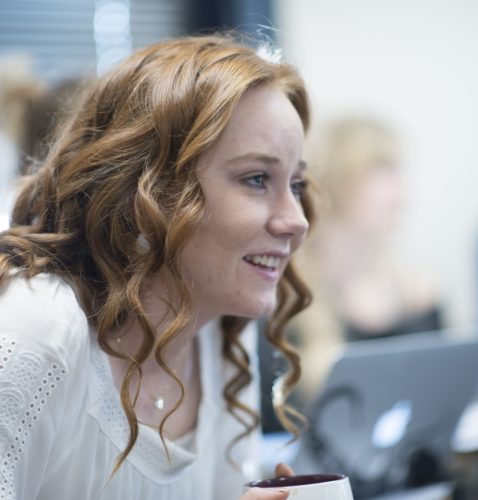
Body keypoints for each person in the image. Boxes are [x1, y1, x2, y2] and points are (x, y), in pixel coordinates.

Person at [0, 33, 315, 500]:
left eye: (296, 183)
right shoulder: (38, 330)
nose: (297, 221)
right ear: (149, 190)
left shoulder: (222, 332)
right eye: (255, 179)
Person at [290, 116, 443, 404]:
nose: (399, 193)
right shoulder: (288, 299)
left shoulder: (418, 294)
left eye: (397, 171)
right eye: (380, 171)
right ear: (335, 183)